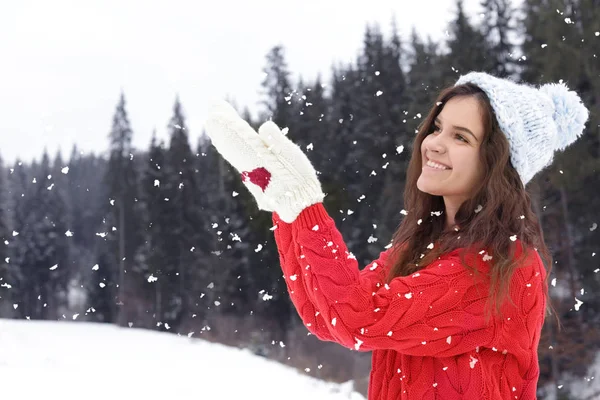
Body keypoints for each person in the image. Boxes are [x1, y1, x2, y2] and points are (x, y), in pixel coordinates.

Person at [203, 71, 589, 399]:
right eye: (437, 127)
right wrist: (286, 211)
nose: (433, 143)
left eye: (461, 137)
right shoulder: (422, 247)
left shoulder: (503, 266)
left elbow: (358, 318)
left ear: (497, 165)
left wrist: (306, 208)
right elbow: (328, 317)